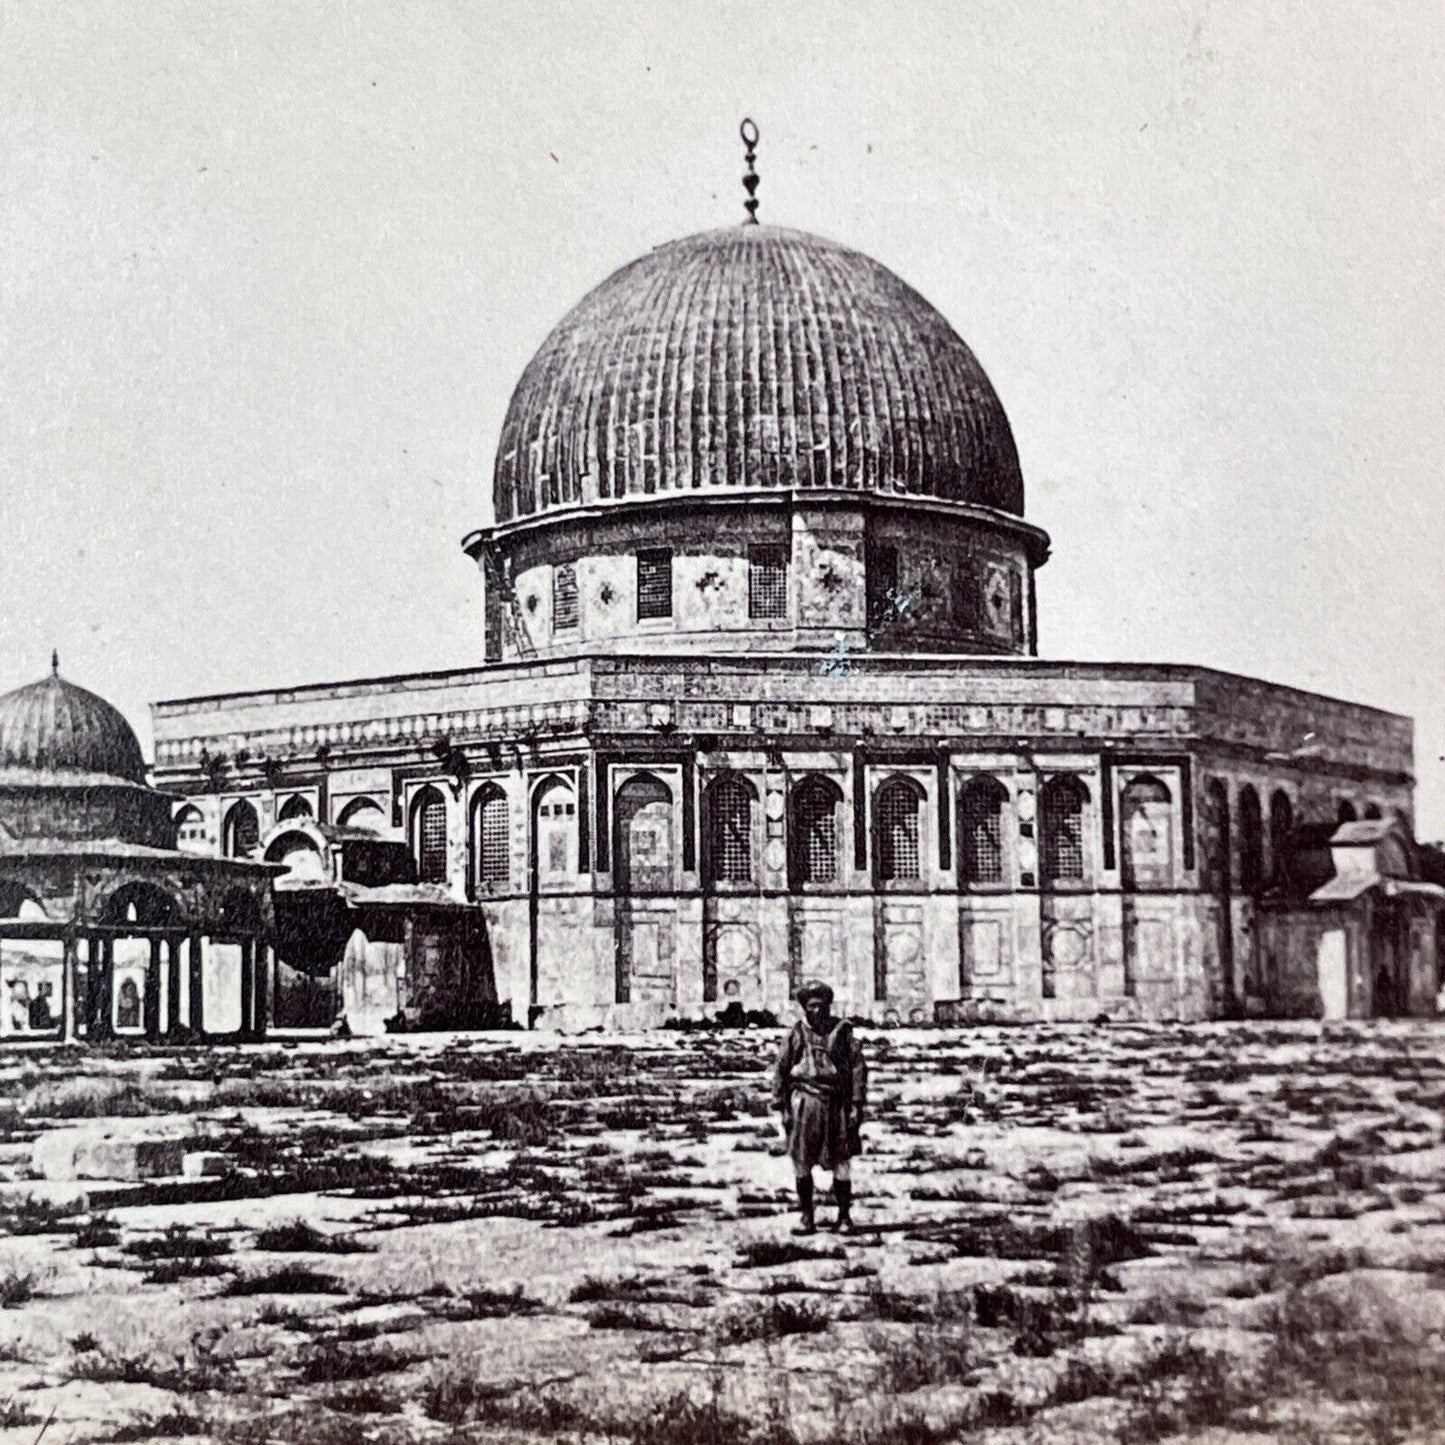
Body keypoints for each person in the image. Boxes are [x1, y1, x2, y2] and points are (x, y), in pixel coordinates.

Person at [771, 980, 868, 1234]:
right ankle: (807, 1218)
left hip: (837, 1104)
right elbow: (781, 1070)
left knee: (842, 1160)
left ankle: (844, 1217)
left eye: (822, 1005)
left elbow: (858, 1069)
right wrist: (781, 1106)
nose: (817, 1011)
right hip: (804, 1103)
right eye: (812, 1006)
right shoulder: (797, 1034)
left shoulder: (842, 1032)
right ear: (804, 1007)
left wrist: (856, 1105)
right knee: (801, 1160)